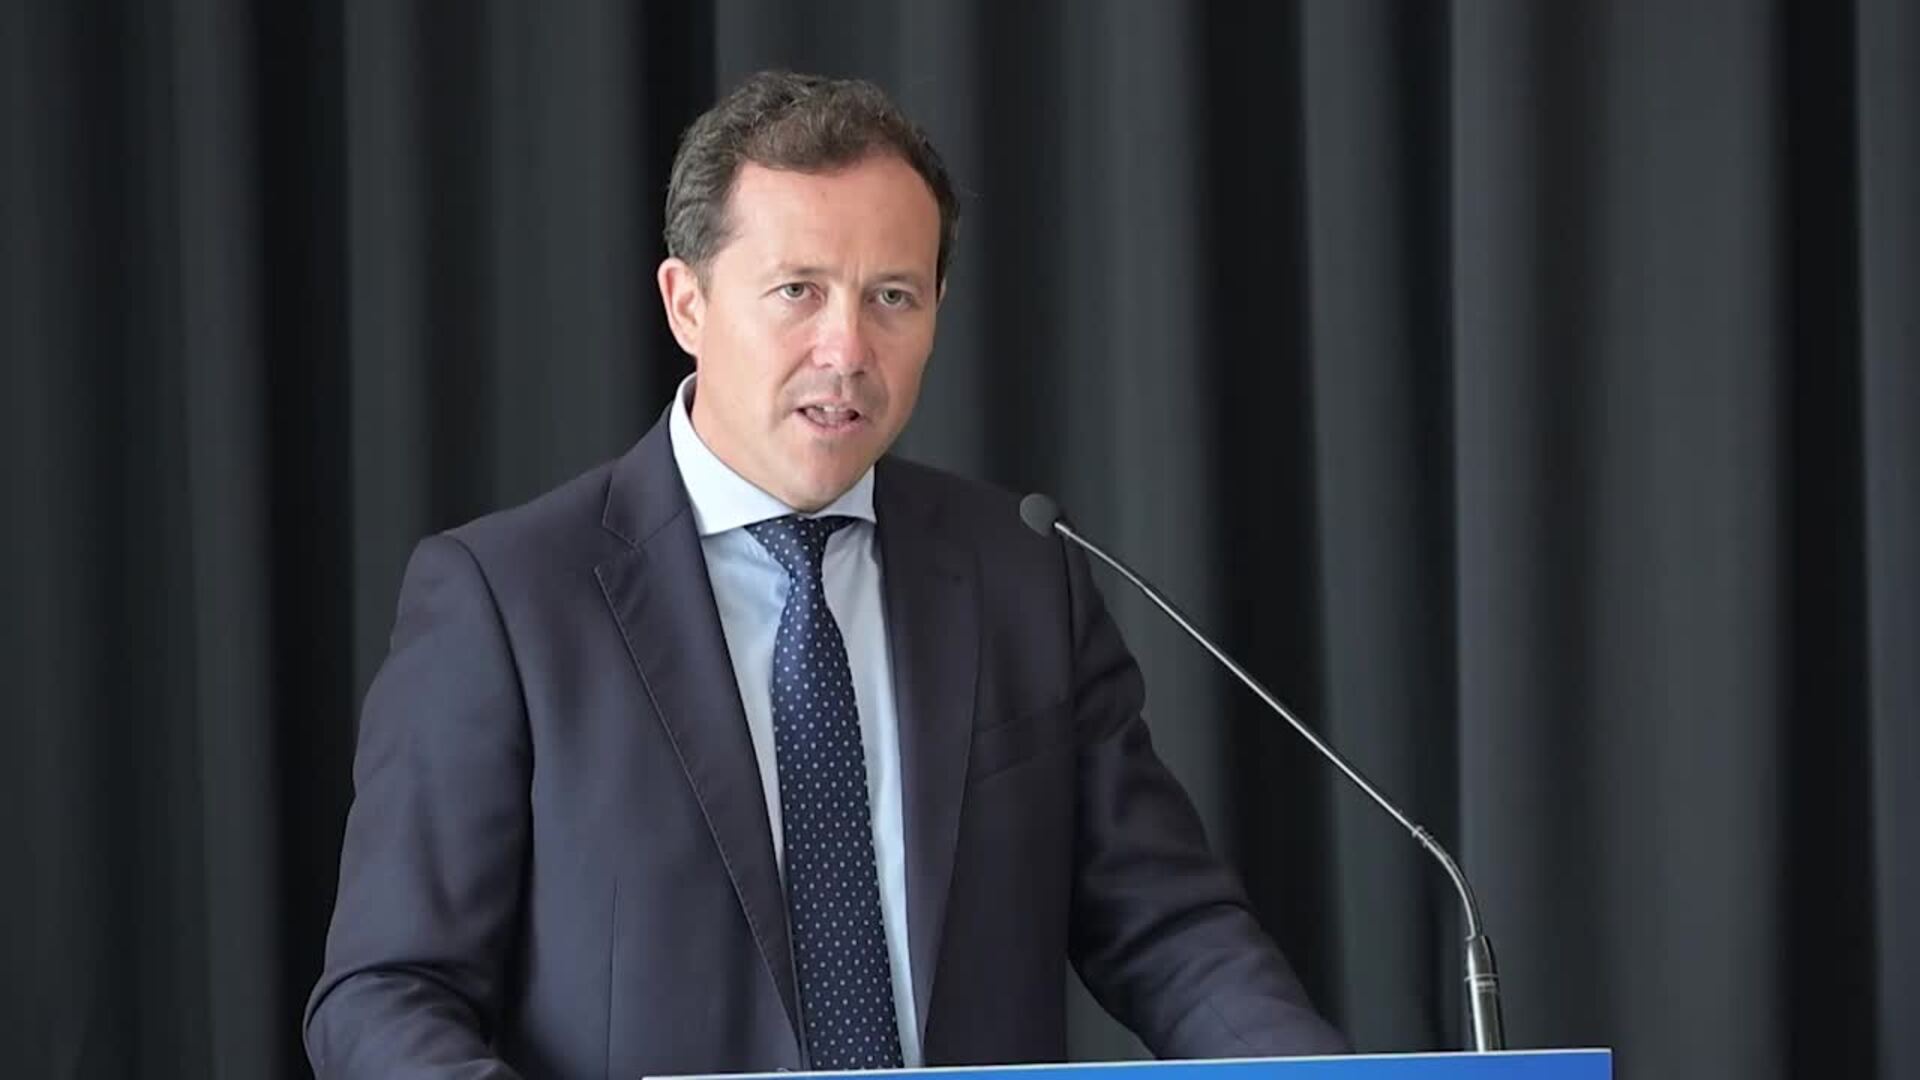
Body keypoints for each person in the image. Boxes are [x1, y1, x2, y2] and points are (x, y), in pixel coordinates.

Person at [304, 69, 1346, 1079]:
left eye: (892, 296)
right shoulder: (507, 599)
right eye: (797, 291)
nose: (846, 349)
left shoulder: (1022, 575)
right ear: (686, 303)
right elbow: (386, 993)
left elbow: (1171, 932)